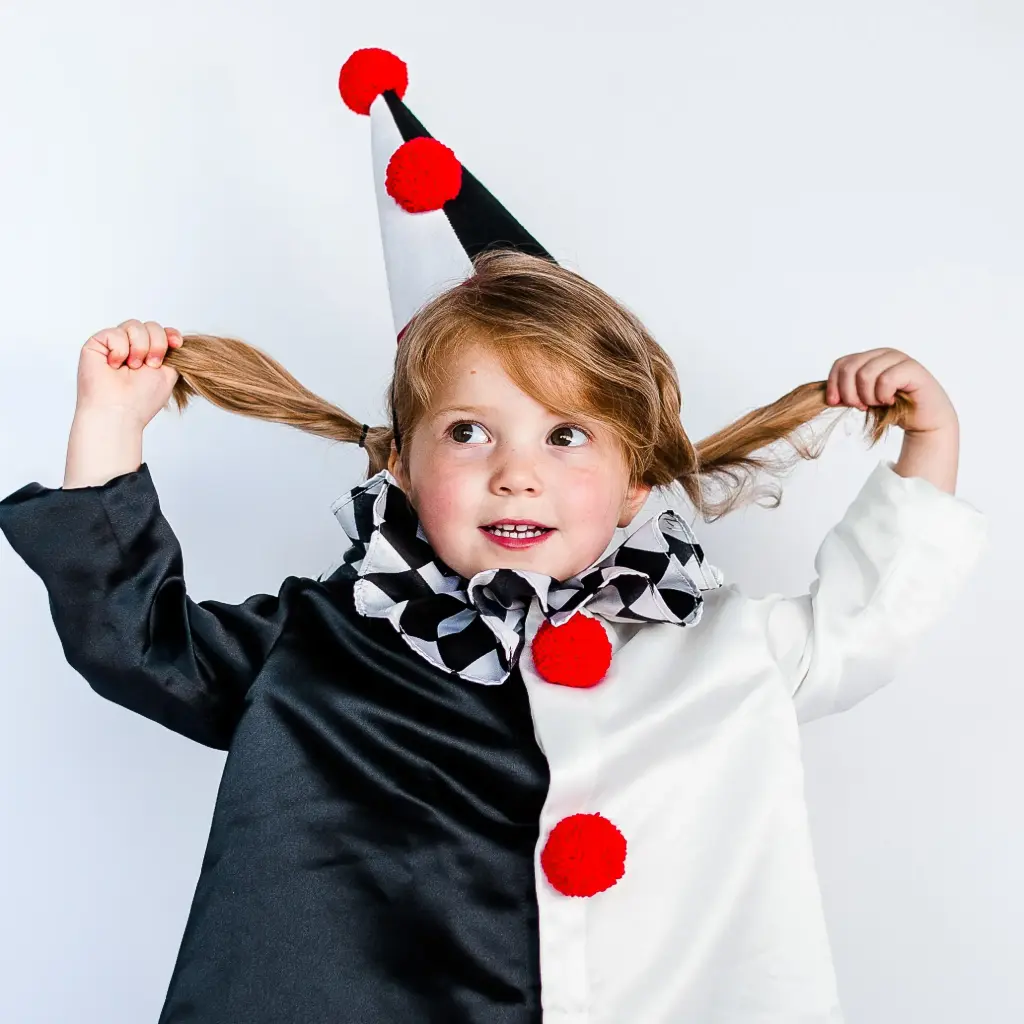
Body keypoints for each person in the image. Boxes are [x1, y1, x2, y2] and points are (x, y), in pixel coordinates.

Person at [0, 48, 989, 1024]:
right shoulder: (313, 643)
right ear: (399, 465)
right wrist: (109, 427)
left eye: (565, 436)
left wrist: (929, 437)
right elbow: (133, 641)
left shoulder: (724, 648)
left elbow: (869, 618)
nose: (515, 470)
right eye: (468, 432)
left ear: (635, 476)